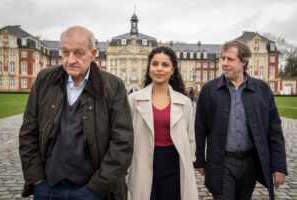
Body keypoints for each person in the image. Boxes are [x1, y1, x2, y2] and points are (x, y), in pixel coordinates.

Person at [19, 26, 133, 200]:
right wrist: (36, 180)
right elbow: (28, 132)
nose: (70, 60)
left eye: (78, 53)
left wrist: (98, 187)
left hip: (92, 191)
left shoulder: (113, 86)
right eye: (65, 52)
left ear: (93, 53)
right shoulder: (44, 80)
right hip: (47, 187)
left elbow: (123, 142)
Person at [194, 40, 287, 200]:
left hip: (251, 162)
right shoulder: (210, 89)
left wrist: (279, 166)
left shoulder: (262, 89)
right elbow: (200, 129)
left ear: (243, 61)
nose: (224, 63)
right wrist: (200, 160)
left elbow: (274, 130)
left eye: (230, 59)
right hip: (222, 161)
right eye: (223, 58)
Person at [127, 46, 198, 200]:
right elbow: (126, 137)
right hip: (142, 162)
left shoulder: (185, 102)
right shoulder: (133, 100)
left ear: (172, 71)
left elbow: (190, 138)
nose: (159, 69)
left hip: (173, 164)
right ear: (149, 68)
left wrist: (189, 161)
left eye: (165, 65)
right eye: (155, 64)